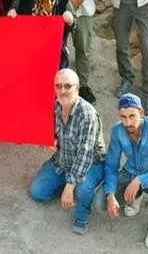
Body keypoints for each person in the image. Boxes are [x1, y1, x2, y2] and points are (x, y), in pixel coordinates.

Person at [29, 69, 106, 236]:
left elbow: (85, 155)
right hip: (63, 159)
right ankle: (68, 186)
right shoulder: (56, 106)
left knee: (82, 191)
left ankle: (82, 213)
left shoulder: (87, 115)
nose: (62, 90)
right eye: (58, 86)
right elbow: (50, 131)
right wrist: (51, 140)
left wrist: (70, 187)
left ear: (77, 89)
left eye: (68, 86)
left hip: (90, 164)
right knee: (37, 192)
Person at [105, 93, 148, 249]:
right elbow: (111, 166)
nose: (128, 122)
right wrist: (110, 195)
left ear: (142, 113)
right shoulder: (118, 131)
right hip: (130, 171)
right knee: (100, 203)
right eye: (123, 117)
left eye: (132, 116)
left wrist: (139, 180)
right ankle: (136, 195)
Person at [10, 0, 73, 69]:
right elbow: (13, 11)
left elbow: (74, 25)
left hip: (56, 55)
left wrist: (70, 18)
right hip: (28, 54)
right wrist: (12, 12)